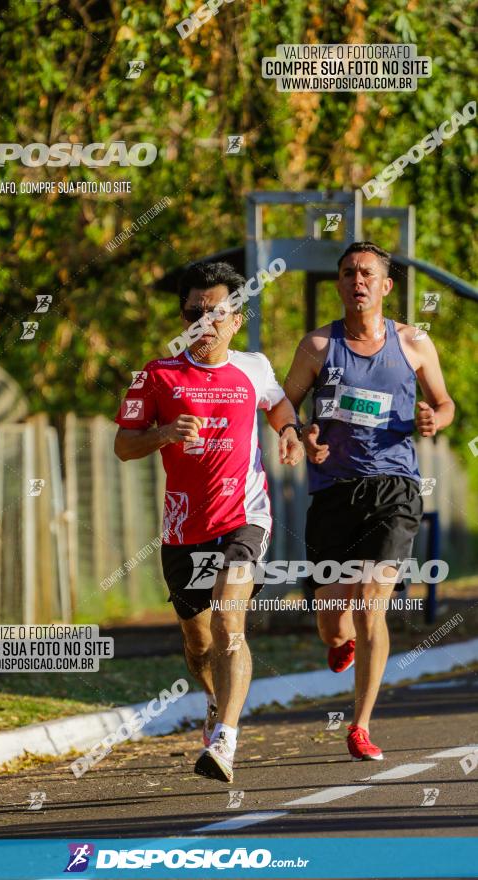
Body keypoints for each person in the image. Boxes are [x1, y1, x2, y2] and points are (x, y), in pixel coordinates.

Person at [114, 261, 304, 782]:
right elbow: (123, 445)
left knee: (228, 623)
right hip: (182, 528)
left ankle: (226, 741)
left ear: (236, 318)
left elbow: (279, 403)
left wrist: (288, 431)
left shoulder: (254, 367)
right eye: (195, 312)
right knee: (198, 645)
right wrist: (164, 433)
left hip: (245, 517)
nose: (205, 322)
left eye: (216, 312)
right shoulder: (155, 375)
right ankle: (216, 704)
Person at [283, 241, 454, 761]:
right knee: (333, 618)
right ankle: (339, 642)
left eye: (366, 273)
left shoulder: (414, 342)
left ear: (385, 286)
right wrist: (300, 436)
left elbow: (445, 403)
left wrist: (434, 418)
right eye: (347, 273)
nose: (357, 280)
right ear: (338, 285)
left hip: (395, 488)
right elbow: (286, 405)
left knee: (370, 606)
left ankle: (360, 725)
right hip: (334, 491)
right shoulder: (316, 346)